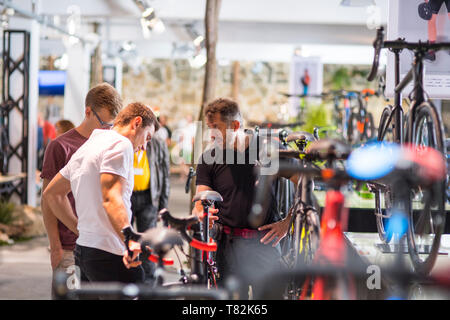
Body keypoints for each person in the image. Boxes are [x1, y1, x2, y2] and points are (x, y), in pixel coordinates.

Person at [42, 102, 160, 284]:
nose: (144, 147)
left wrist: (80, 228)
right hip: (109, 252)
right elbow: (111, 199)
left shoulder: (91, 145)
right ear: (137, 122)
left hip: (84, 250)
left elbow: (52, 194)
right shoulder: (121, 144)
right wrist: (129, 239)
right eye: (148, 137)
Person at [193, 98, 296, 298]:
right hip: (227, 246)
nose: (211, 134)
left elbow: (303, 182)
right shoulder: (209, 158)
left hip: (265, 243)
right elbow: (200, 197)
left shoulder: (267, 150)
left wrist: (288, 222)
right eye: (209, 127)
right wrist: (200, 210)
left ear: (236, 126)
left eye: (216, 128)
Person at [40, 82, 122, 298]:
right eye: (104, 123)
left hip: (102, 247)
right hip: (69, 247)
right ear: (88, 112)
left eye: (111, 125)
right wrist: (55, 246)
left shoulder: (110, 147)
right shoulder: (60, 146)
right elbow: (48, 201)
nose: (107, 130)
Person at [130, 125, 170, 283]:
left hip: (149, 198)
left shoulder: (158, 144)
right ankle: (128, 278)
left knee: (148, 242)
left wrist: (163, 204)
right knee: (124, 240)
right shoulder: (127, 141)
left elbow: (165, 174)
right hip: (127, 196)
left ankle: (148, 281)